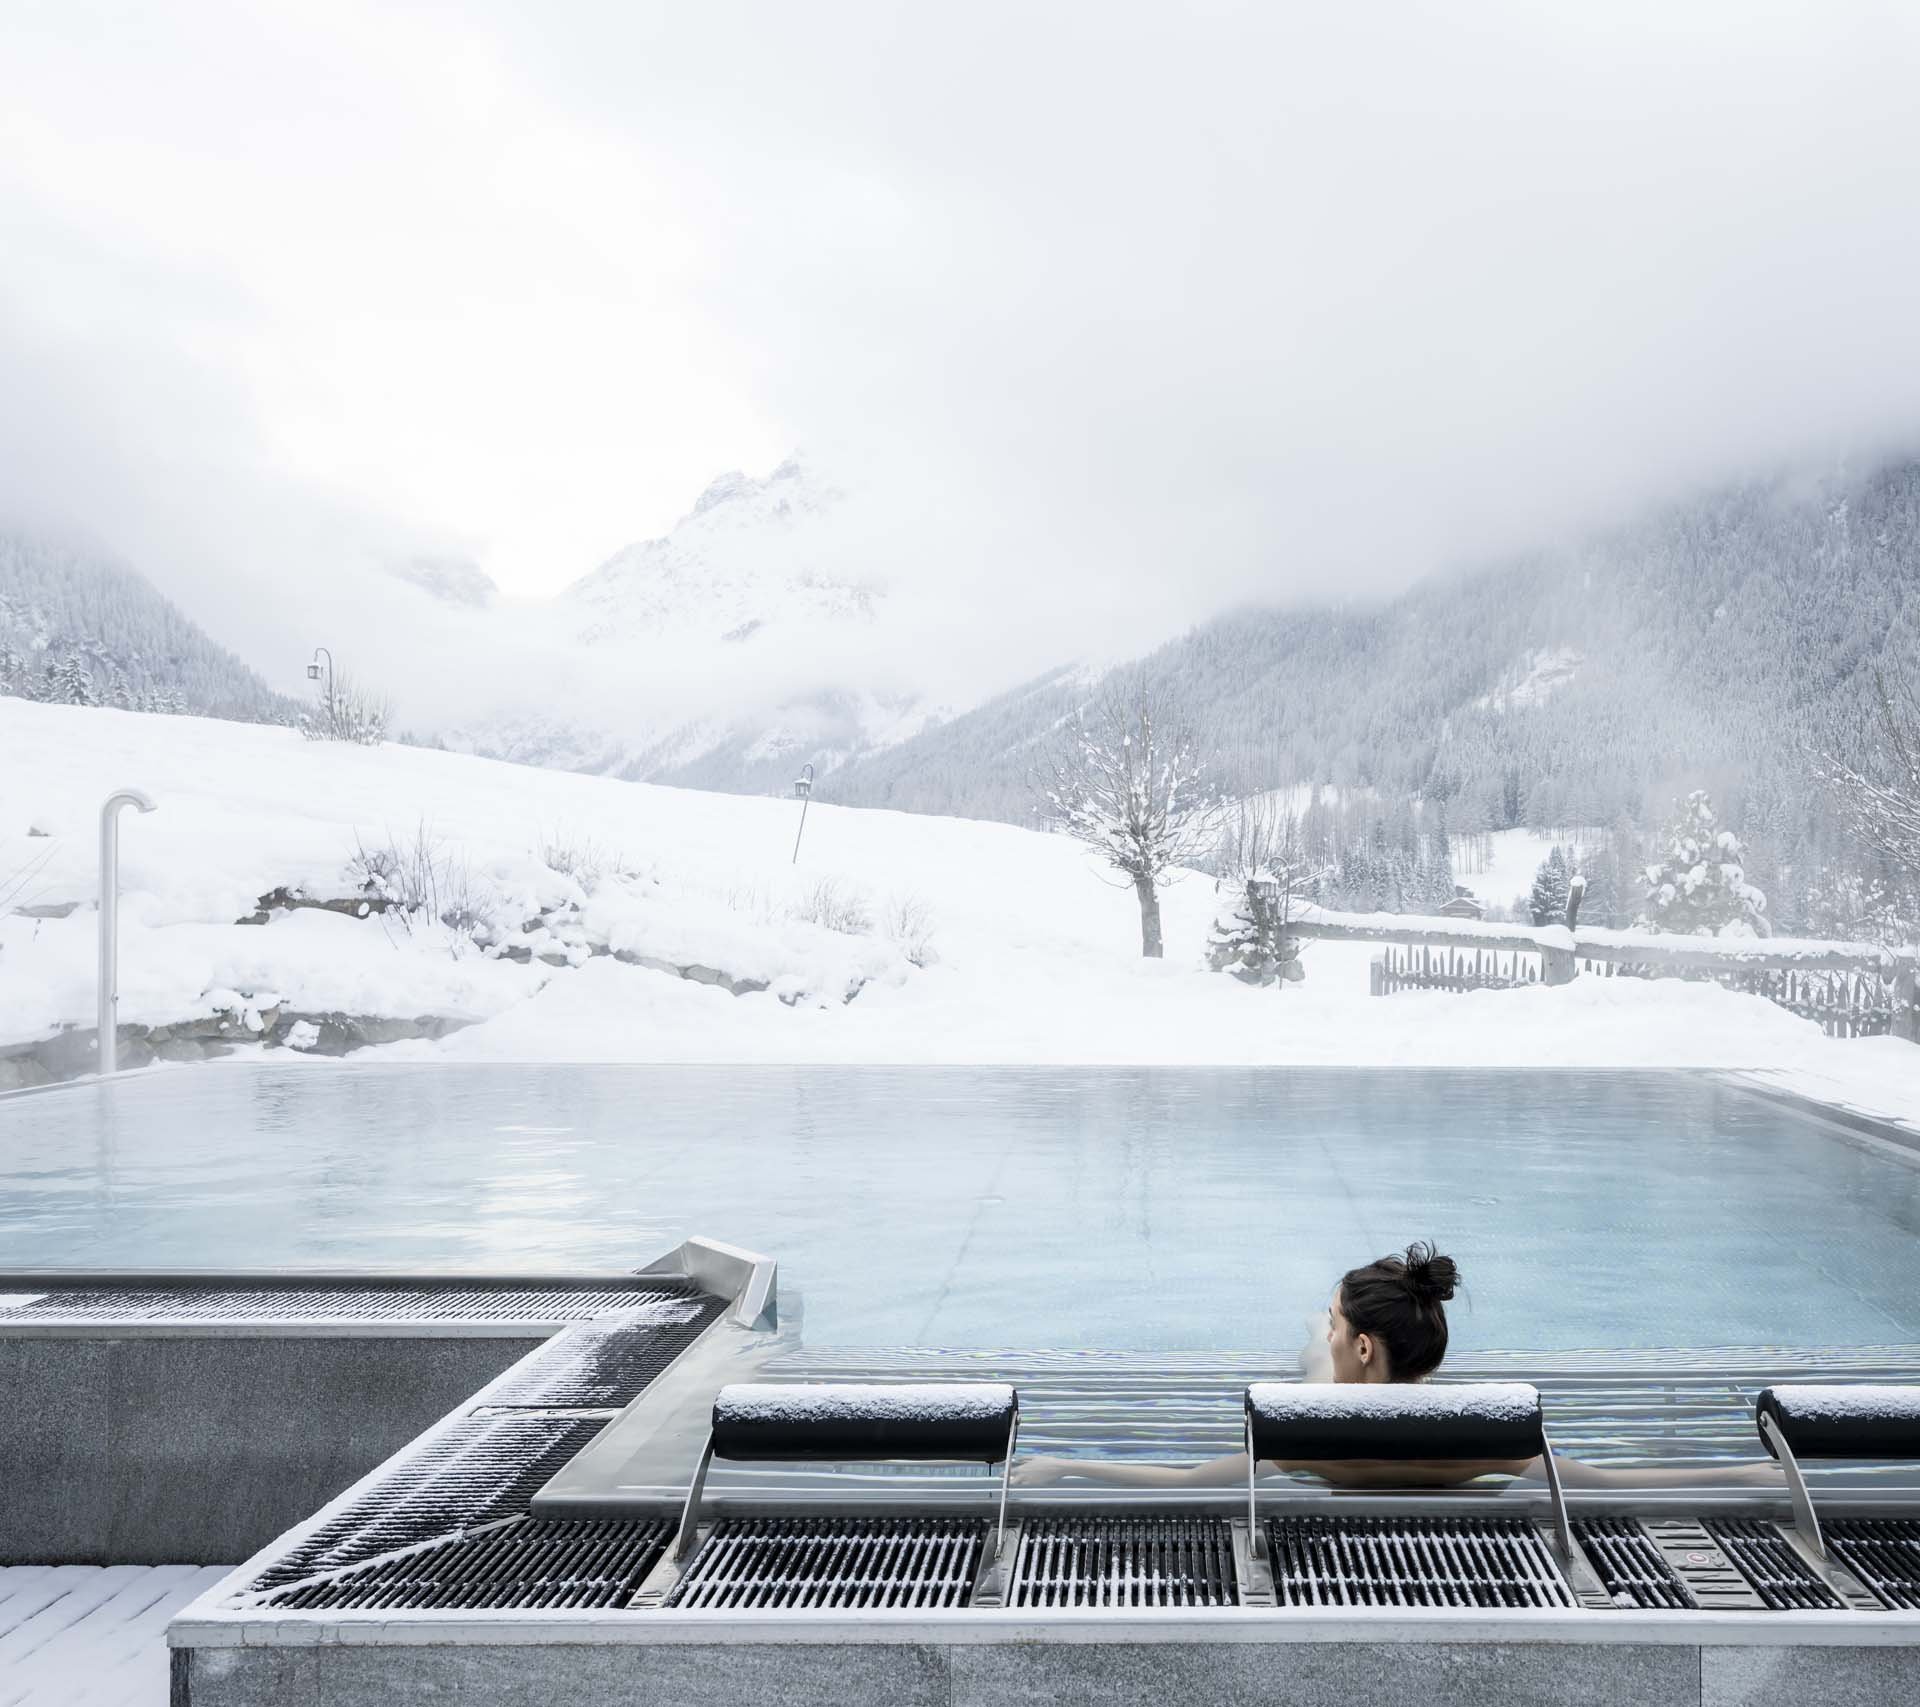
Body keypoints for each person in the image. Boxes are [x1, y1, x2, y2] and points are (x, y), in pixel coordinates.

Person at [1011, 1240, 1780, 1491]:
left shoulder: (1301, 1435)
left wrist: (1061, 1465)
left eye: (1338, 1322)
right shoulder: (1489, 1438)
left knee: (1315, 1374)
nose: (1334, 1327)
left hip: (1338, 1414)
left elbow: (1184, 1484)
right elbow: (1607, 1484)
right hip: (1411, 1412)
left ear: (1365, 1343)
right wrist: (1747, 1475)